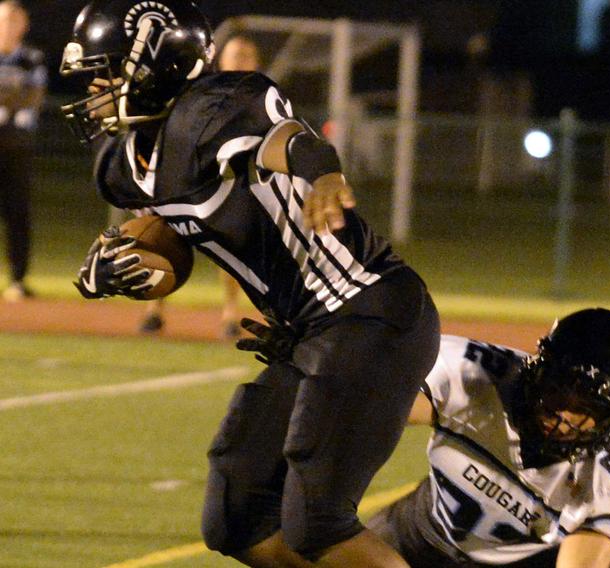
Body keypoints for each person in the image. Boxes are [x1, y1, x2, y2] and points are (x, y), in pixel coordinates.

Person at [58, 2, 440, 567]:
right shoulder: (120, 160)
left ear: (157, 65)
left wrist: (324, 171)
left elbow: (285, 136)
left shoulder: (210, 110)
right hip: (309, 329)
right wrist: (128, 265)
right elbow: (177, 232)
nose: (95, 83)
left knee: (318, 522)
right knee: (237, 515)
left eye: (107, 69)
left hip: (367, 311)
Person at [366, 308, 610, 568]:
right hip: (424, 529)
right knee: (327, 544)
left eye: (584, 408)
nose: (562, 416)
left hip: (533, 559)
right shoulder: (473, 375)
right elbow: (374, 407)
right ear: (536, 371)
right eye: (558, 392)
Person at [138, 32, 262, 337]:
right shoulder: (202, 92)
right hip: (189, 180)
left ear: (257, 63)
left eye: (247, 56)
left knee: (234, 246)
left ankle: (231, 313)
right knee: (159, 236)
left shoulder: (262, 98)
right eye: (235, 55)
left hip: (231, 183)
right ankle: (154, 309)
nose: (240, 61)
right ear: (220, 60)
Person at [0, 0, 45, 302]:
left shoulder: (32, 58)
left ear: (23, 25)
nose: (7, 27)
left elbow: (33, 97)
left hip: (17, 146)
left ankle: (18, 278)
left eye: (13, 21)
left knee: (17, 213)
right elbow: (19, 94)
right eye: (3, 21)